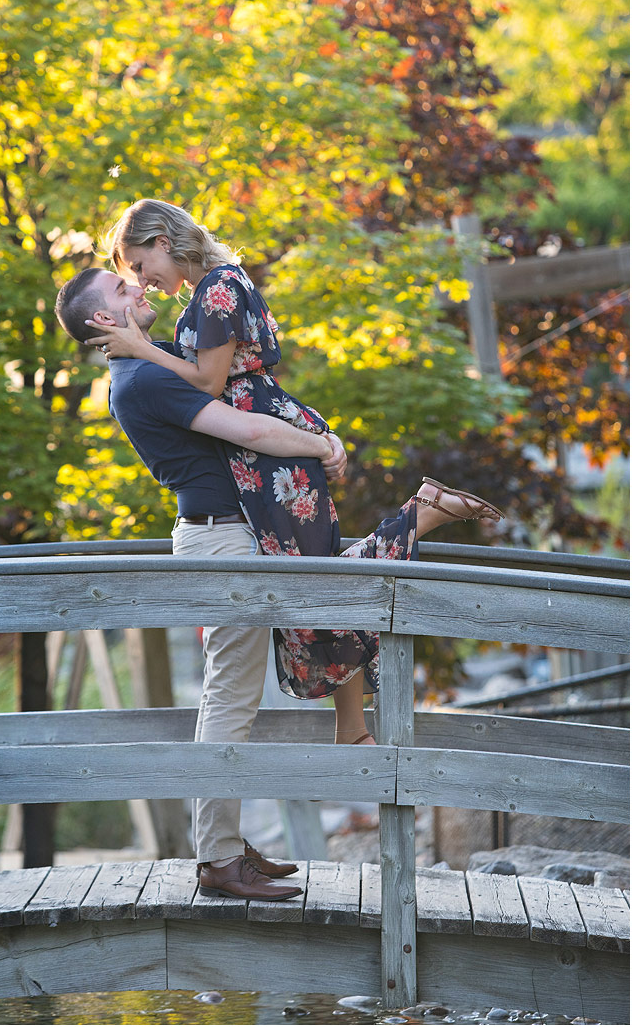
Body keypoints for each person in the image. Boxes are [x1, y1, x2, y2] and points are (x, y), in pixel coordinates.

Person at [55, 265, 502, 902]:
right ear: (104, 319)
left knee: (294, 639)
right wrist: (321, 444)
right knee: (232, 697)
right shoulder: (144, 378)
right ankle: (217, 861)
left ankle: (227, 847)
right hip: (223, 541)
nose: (140, 289)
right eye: (124, 291)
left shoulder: (146, 368)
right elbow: (248, 430)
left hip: (234, 534)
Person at [84, 198, 504, 748]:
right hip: (265, 459)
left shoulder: (214, 290)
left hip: (270, 462)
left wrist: (141, 347)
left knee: (322, 587)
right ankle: (350, 730)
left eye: (139, 265)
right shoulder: (215, 286)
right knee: (323, 584)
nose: (142, 279)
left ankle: (420, 516)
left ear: (162, 242)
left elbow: (208, 385)